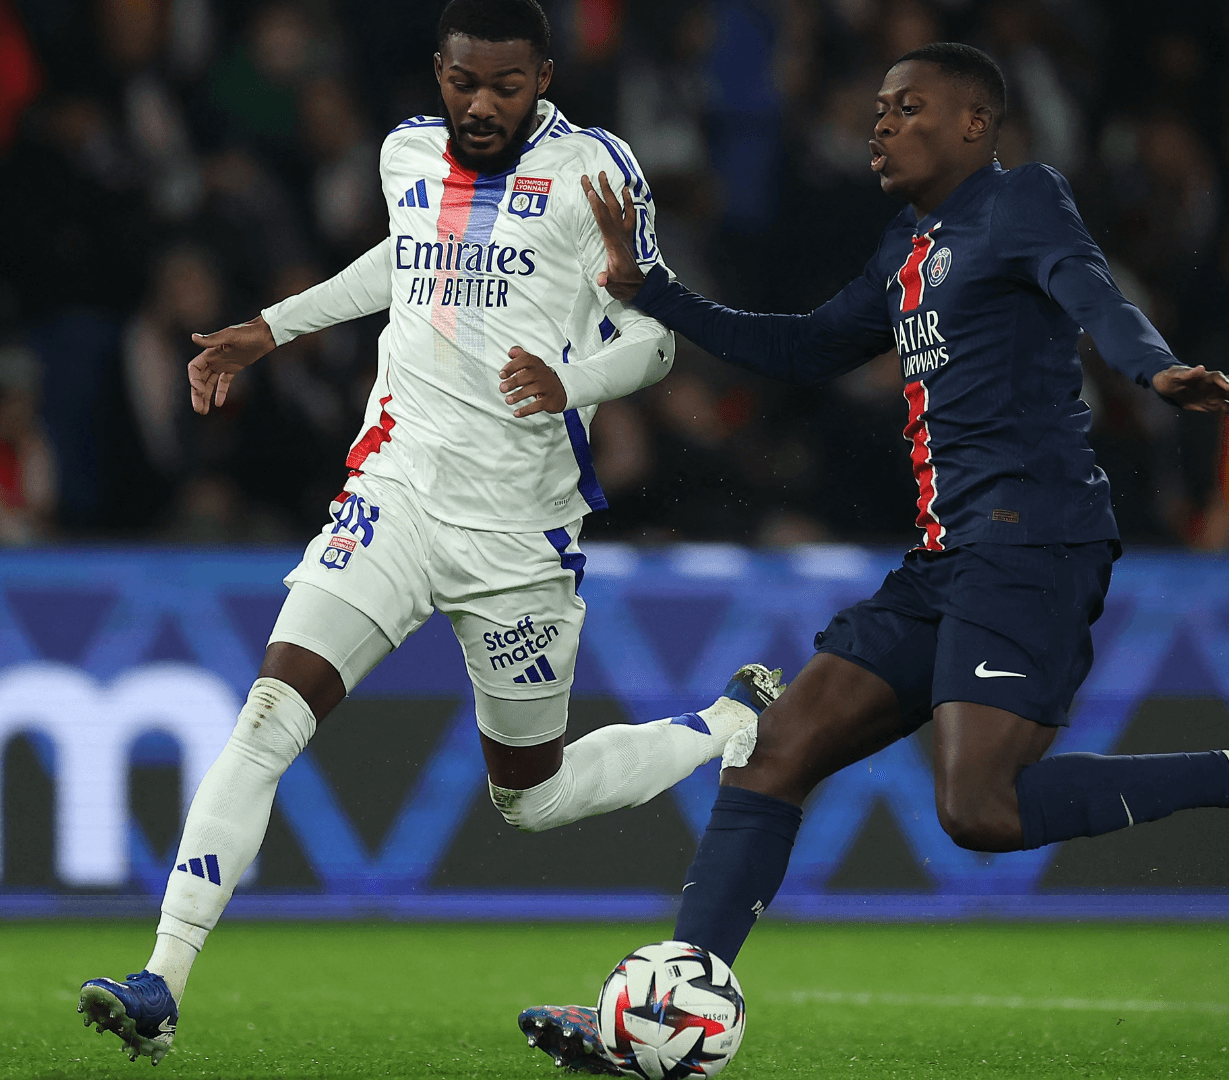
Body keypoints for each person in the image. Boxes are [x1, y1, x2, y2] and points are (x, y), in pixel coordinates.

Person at [518, 42, 1229, 1071]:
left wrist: (1154, 369)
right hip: (949, 557)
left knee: (981, 810)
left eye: (909, 107)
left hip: (1034, 541)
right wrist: (656, 290)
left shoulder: (1022, 200)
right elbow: (803, 347)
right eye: (878, 109)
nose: (881, 124)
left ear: (976, 124)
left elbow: (1091, 291)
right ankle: (662, 1013)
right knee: (773, 749)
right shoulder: (906, 244)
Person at [74, 0, 781, 1064]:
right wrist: (273, 327)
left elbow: (657, 340)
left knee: (530, 797)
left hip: (518, 537)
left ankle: (724, 725)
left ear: (544, 77)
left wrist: (572, 381)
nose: (480, 104)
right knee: (267, 716)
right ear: (438, 71)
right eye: (463, 82)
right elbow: (404, 259)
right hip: (396, 497)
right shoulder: (405, 151)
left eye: (506, 85)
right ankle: (161, 982)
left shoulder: (594, 173)